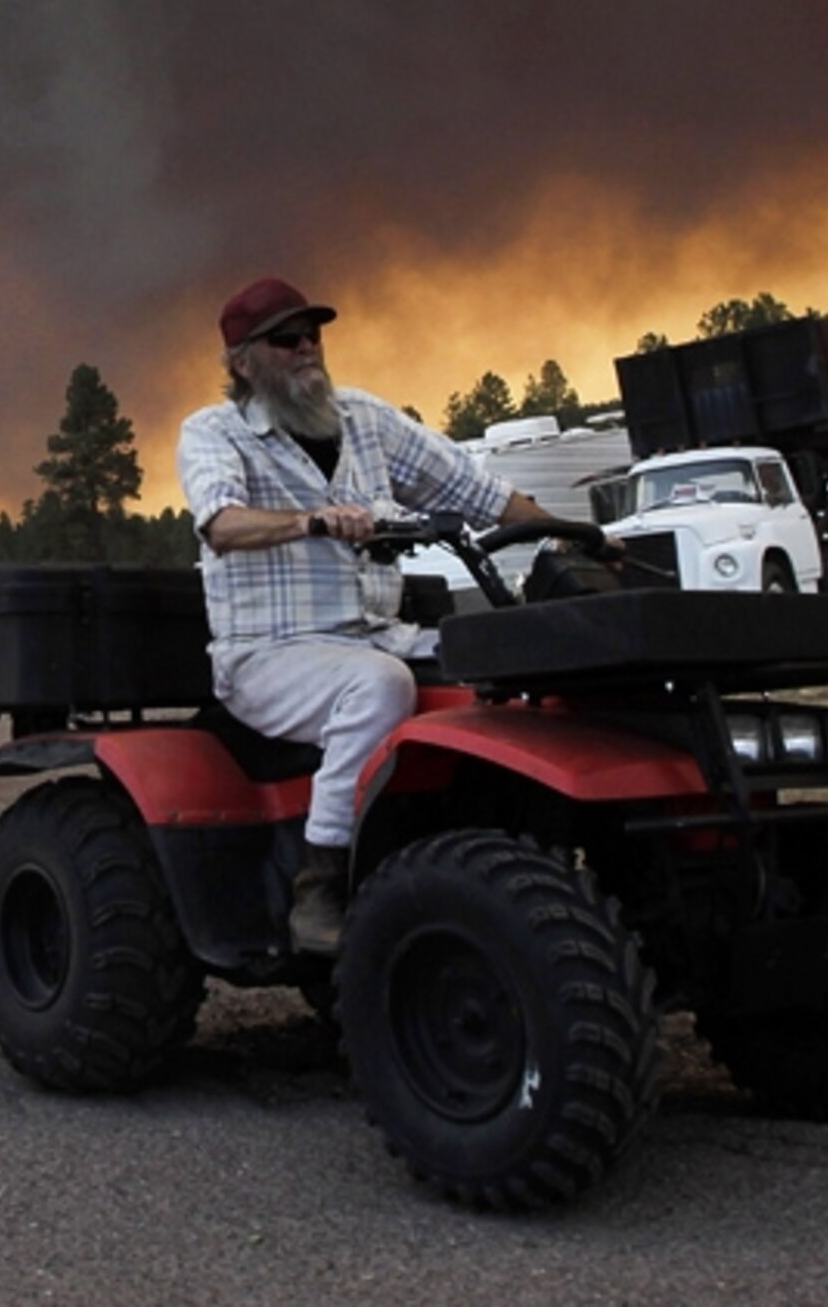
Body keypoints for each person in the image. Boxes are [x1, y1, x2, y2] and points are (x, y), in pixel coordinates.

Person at [176, 276, 586, 956]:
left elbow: (477, 490)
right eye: (287, 338)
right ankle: (321, 886)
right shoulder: (213, 434)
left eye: (313, 334)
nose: (307, 347)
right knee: (379, 686)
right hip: (270, 654)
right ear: (243, 361)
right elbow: (221, 524)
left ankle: (511, 853)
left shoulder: (365, 419)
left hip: (377, 637)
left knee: (499, 662)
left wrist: (573, 533)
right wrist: (311, 521)